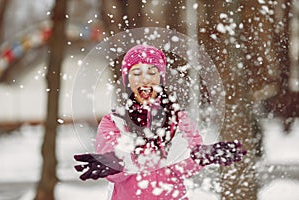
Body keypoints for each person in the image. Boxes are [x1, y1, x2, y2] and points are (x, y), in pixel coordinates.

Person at [74, 44, 246, 200]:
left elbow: (183, 166)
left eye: (151, 72)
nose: (145, 79)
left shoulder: (178, 119)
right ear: (127, 80)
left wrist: (204, 155)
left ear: (161, 78)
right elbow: (116, 173)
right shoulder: (114, 122)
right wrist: (113, 163)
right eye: (136, 73)